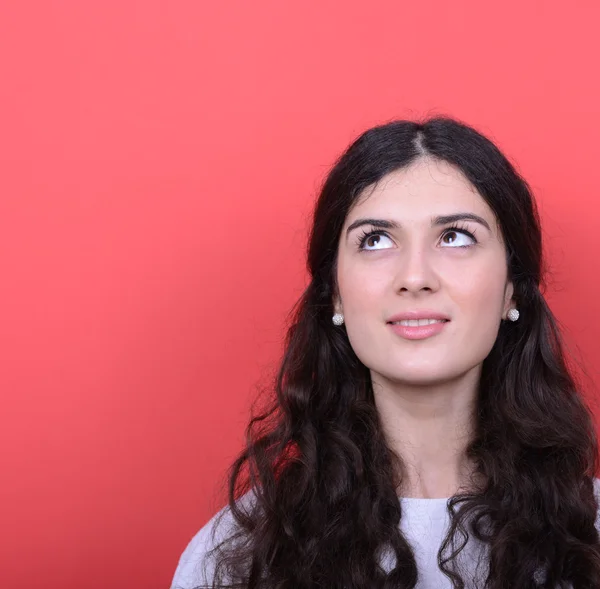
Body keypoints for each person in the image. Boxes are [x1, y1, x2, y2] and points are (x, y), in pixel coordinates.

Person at [170, 117, 600, 589]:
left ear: (512, 291)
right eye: (375, 240)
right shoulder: (242, 552)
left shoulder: (589, 536)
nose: (414, 277)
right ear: (335, 293)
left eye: (455, 236)